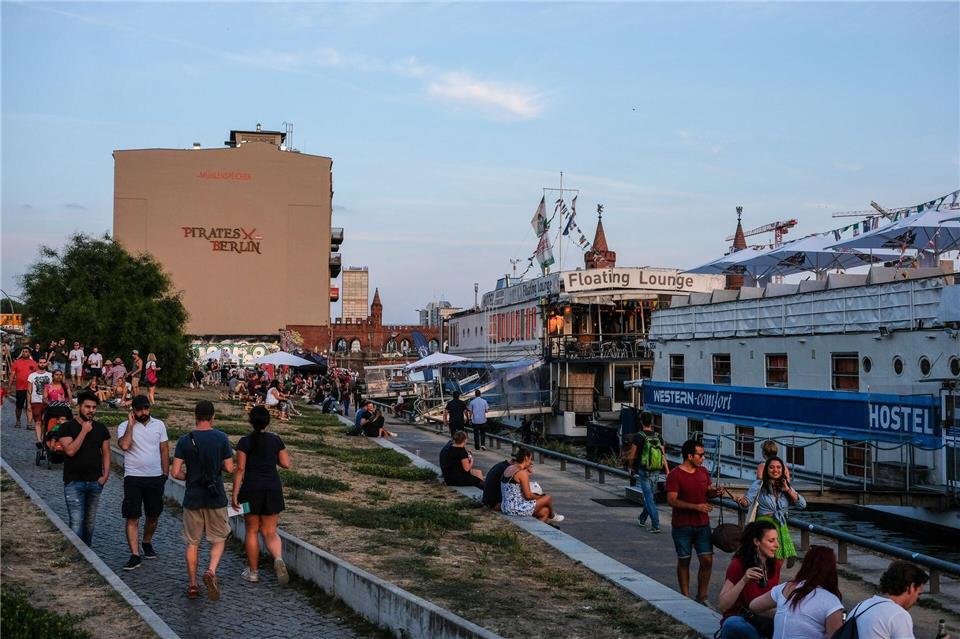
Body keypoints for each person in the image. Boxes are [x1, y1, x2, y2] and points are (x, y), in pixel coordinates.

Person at [171, 400, 234, 601]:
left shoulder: (184, 440)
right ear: (213, 416)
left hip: (193, 498)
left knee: (192, 542)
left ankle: (192, 584)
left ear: (195, 416)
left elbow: (175, 472)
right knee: (219, 538)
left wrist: (190, 477)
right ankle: (210, 571)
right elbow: (230, 468)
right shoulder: (222, 438)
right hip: (215, 497)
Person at [232, 406, 291, 585]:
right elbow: (286, 464)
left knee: (251, 530)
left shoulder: (244, 442)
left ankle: (253, 572)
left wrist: (235, 493)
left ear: (250, 421)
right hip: (272, 489)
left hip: (250, 491)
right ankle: (278, 558)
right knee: (270, 531)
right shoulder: (276, 440)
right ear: (268, 421)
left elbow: (240, 469)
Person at [666, 438, 722, 603]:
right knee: (684, 560)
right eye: (700, 455)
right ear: (690, 456)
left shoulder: (703, 472)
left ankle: (702, 596)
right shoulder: (675, 475)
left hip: (702, 524)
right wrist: (696, 507)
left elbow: (706, 491)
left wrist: (714, 492)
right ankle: (685, 596)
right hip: (682, 525)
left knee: (707, 559)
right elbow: (672, 500)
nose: (703, 458)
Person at [117, 395, 169, 571]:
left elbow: (164, 449)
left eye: (146, 408)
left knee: (153, 515)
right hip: (133, 477)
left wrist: (165, 473)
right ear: (133, 410)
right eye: (139, 409)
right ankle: (135, 554)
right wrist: (131, 426)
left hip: (155, 477)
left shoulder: (159, 425)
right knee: (132, 516)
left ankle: (146, 541)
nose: (143, 412)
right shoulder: (124, 427)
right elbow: (124, 446)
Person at [749, 545, 844, 639]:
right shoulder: (831, 602)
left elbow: (754, 606)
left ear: (805, 564)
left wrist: (785, 614)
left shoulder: (786, 587)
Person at [57, 391, 112, 546]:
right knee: (76, 523)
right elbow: (70, 450)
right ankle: (75, 557)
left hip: (95, 482)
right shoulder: (67, 428)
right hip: (74, 482)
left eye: (94, 407)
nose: (91, 410)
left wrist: (105, 476)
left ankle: (87, 556)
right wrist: (84, 431)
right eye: (87, 407)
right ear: (79, 406)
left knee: (89, 524)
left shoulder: (101, 428)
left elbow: (107, 453)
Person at [716, 520, 782, 639]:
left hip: (764, 619)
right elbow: (722, 605)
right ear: (757, 541)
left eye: (776, 540)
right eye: (771, 541)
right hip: (743, 619)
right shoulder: (738, 565)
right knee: (733, 625)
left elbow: (771, 604)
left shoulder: (775, 565)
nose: (777, 545)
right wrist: (743, 580)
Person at [744, 456, 806, 565]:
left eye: (778, 467)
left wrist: (787, 490)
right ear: (767, 469)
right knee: (765, 561)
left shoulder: (785, 486)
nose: (775, 470)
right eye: (771, 467)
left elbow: (802, 505)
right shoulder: (759, 485)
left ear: (782, 470)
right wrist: (741, 501)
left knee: (778, 562)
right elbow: (747, 501)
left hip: (781, 527)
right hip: (764, 527)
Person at [846, 561, 930, 639]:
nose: (916, 600)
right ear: (911, 587)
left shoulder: (861, 606)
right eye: (918, 594)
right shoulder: (898, 615)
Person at [624, 411, 669, 533]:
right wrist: (667, 470)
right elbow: (663, 455)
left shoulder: (638, 436)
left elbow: (632, 456)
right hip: (656, 470)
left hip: (644, 471)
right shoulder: (658, 436)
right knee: (649, 497)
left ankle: (656, 525)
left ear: (641, 422)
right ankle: (642, 518)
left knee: (649, 499)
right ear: (652, 422)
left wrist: (630, 467)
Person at [500, 447, 564, 524]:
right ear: (526, 458)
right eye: (530, 459)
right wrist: (541, 497)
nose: (531, 462)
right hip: (515, 508)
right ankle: (553, 516)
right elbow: (528, 496)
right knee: (548, 498)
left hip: (505, 507)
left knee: (545, 512)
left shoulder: (509, 468)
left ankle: (538, 530)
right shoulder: (522, 473)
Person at [27, 358, 53, 449]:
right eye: (40, 362)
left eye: (44, 362)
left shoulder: (50, 375)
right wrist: (29, 404)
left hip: (47, 402)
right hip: (36, 401)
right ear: (38, 363)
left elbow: (52, 389)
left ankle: (43, 438)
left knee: (44, 421)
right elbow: (29, 390)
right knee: (38, 421)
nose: (42, 364)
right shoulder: (32, 376)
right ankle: (38, 440)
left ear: (46, 363)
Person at [10, 347, 38, 428]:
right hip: (20, 388)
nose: (24, 353)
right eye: (23, 351)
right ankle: (18, 421)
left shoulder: (34, 363)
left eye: (26, 351)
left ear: (29, 353)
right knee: (19, 406)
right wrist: (9, 386)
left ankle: (29, 423)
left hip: (31, 389)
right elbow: (12, 375)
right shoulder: (16, 362)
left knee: (29, 406)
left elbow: (37, 375)